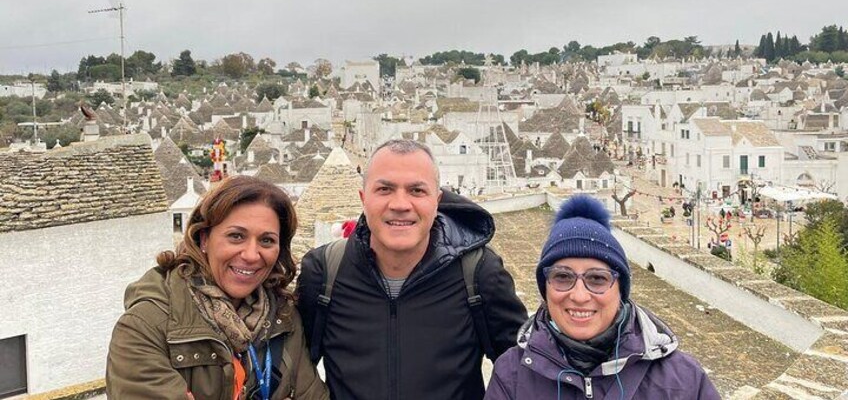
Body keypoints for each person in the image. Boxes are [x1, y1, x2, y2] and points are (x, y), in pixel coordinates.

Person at [297, 139, 527, 399]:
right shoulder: (323, 273)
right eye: (385, 189)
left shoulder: (479, 273)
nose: (400, 204)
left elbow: (524, 372)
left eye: (417, 191)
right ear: (363, 198)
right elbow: (293, 373)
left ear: (437, 200)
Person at [107, 176, 328, 400]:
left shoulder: (283, 318)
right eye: (236, 236)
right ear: (204, 239)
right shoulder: (145, 326)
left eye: (267, 240)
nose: (251, 255)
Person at [486, 195, 720, 399]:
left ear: (621, 290)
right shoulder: (512, 374)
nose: (579, 295)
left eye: (597, 279)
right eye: (562, 277)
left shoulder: (684, 380)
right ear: (545, 289)